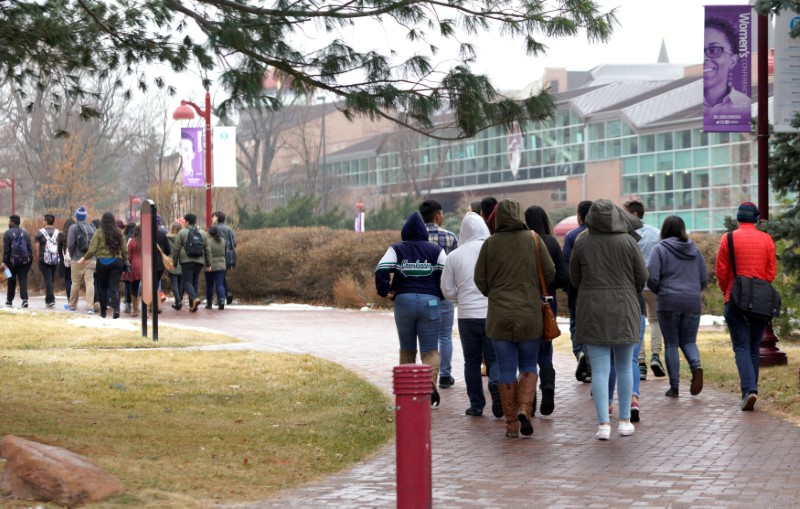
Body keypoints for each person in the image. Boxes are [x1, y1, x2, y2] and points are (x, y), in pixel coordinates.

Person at [474, 198, 554, 438]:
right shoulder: (533, 239)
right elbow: (549, 272)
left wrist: (495, 293)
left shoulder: (490, 244)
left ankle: (510, 424)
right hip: (529, 314)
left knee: (505, 367)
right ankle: (524, 409)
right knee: (529, 366)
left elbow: (480, 279)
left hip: (499, 316)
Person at [569, 199, 647, 440]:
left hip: (592, 309)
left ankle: (603, 424)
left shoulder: (582, 242)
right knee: (624, 366)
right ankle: (624, 421)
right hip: (624, 307)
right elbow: (641, 276)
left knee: (600, 370)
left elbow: (574, 277)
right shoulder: (627, 241)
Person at [375, 212, 447, 407]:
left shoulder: (397, 249)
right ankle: (429, 383)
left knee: (407, 349)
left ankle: (407, 395)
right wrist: (440, 294)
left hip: (404, 302)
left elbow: (381, 269)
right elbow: (448, 273)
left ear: (404, 231)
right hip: (430, 302)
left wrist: (384, 291)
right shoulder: (436, 250)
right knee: (430, 350)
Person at [715, 202, 777, 411]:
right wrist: (758, 285)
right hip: (760, 301)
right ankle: (752, 390)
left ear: (739, 218)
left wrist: (728, 291)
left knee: (741, 346)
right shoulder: (767, 239)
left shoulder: (728, 238)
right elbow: (770, 273)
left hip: (735, 299)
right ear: (756, 218)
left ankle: (749, 390)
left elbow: (721, 272)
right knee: (752, 346)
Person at [440, 211, 500, 417]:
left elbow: (446, 289)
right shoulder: (493, 250)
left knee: (471, 361)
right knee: (495, 358)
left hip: (466, 315)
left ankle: (476, 404)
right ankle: (495, 384)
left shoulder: (454, 255)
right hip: (491, 312)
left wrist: (460, 300)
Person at [647, 215, 708, 398]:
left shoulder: (659, 249)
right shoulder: (695, 250)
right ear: (682, 230)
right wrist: (692, 290)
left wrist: (660, 290)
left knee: (672, 343)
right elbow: (703, 279)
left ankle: (674, 387)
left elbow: (652, 278)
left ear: (664, 230)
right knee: (689, 341)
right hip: (691, 301)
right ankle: (696, 365)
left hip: (668, 300)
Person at [524, 205, 569, 416]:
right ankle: (548, 387)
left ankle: (529, 401)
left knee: (526, 352)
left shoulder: (521, 241)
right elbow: (563, 275)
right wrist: (549, 285)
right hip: (547, 301)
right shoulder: (550, 241)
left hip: (524, 302)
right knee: (545, 349)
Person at [623, 200, 665, 380]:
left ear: (634, 214)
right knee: (655, 320)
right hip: (654, 283)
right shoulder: (656, 233)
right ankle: (656, 355)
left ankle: (641, 364)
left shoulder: (625, 235)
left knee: (636, 323)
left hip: (633, 285)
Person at [419, 200, 459, 389]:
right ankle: (445, 375)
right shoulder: (450, 238)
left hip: (423, 294)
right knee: (445, 336)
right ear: (437, 215)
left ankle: (428, 375)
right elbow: (457, 268)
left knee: (428, 336)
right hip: (444, 295)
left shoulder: (415, 239)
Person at [77, 212, 128, 319]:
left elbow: (92, 249)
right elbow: (124, 249)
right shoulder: (119, 232)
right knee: (115, 287)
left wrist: (84, 258)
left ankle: (103, 312)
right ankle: (116, 309)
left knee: (103, 287)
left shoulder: (99, 233)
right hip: (116, 262)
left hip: (102, 262)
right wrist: (125, 261)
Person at [563, 200, 592, 382]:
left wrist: (569, 288)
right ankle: (591, 365)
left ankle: (580, 352)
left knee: (575, 325)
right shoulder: (602, 235)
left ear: (579, 216)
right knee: (592, 327)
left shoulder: (572, 236)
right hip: (596, 290)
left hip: (576, 290)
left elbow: (566, 264)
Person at [704, 17, 751, 112]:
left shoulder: (744, 105)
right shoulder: (684, 102)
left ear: (733, 61)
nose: (704, 58)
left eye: (714, 50)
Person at [172, 213, 212, 313]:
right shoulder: (202, 233)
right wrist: (208, 264)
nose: (184, 223)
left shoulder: (182, 232)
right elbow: (207, 250)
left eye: (184, 221)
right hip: (199, 262)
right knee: (194, 282)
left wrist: (174, 262)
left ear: (187, 222)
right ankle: (193, 305)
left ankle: (194, 299)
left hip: (186, 261)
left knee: (186, 282)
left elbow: (176, 249)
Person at [65, 206, 97, 313]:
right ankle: (90, 307)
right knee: (90, 283)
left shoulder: (73, 228)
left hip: (77, 259)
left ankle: (72, 305)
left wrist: (73, 254)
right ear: (85, 217)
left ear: (76, 217)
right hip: (91, 259)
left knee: (75, 283)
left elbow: (70, 244)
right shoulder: (92, 227)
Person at [3, 214, 32, 308]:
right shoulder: (26, 233)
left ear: (13, 222)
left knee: (11, 280)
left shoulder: (7, 233)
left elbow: (6, 251)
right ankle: (24, 300)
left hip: (11, 262)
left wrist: (4, 264)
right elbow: (29, 250)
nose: (8, 223)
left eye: (9, 221)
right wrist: (28, 263)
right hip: (24, 262)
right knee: (23, 279)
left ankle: (9, 300)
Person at [34, 213, 60, 308]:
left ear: (45, 221)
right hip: (55, 259)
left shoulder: (40, 233)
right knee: (51, 279)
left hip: (44, 259)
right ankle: (48, 299)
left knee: (48, 279)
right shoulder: (58, 233)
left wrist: (38, 258)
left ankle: (51, 299)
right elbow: (61, 247)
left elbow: (36, 248)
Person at [212, 210, 237, 305]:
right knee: (221, 277)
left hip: (217, 257)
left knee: (218, 278)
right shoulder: (229, 229)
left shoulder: (214, 228)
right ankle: (227, 293)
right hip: (228, 257)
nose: (212, 219)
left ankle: (221, 298)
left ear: (217, 218)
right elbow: (234, 243)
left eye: (213, 217)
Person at [205, 225, 227, 310]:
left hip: (209, 265)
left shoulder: (207, 241)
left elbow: (205, 253)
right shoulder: (223, 241)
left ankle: (209, 304)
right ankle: (221, 299)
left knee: (209, 285)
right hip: (221, 265)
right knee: (220, 284)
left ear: (210, 233)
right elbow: (224, 252)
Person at [166, 222, 184, 309]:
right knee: (180, 282)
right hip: (182, 260)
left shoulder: (167, 238)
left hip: (171, 260)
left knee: (174, 283)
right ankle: (179, 299)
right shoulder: (183, 238)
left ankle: (178, 301)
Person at [57, 217, 74, 302]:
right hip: (75, 260)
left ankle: (69, 299)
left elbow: (58, 250)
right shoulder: (75, 234)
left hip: (64, 261)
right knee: (74, 281)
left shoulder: (61, 235)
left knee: (67, 280)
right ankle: (74, 299)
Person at [127, 225, 143, 317]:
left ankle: (135, 310)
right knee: (146, 289)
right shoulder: (146, 242)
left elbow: (129, 257)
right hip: (145, 266)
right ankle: (145, 308)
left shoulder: (132, 242)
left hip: (135, 267)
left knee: (134, 288)